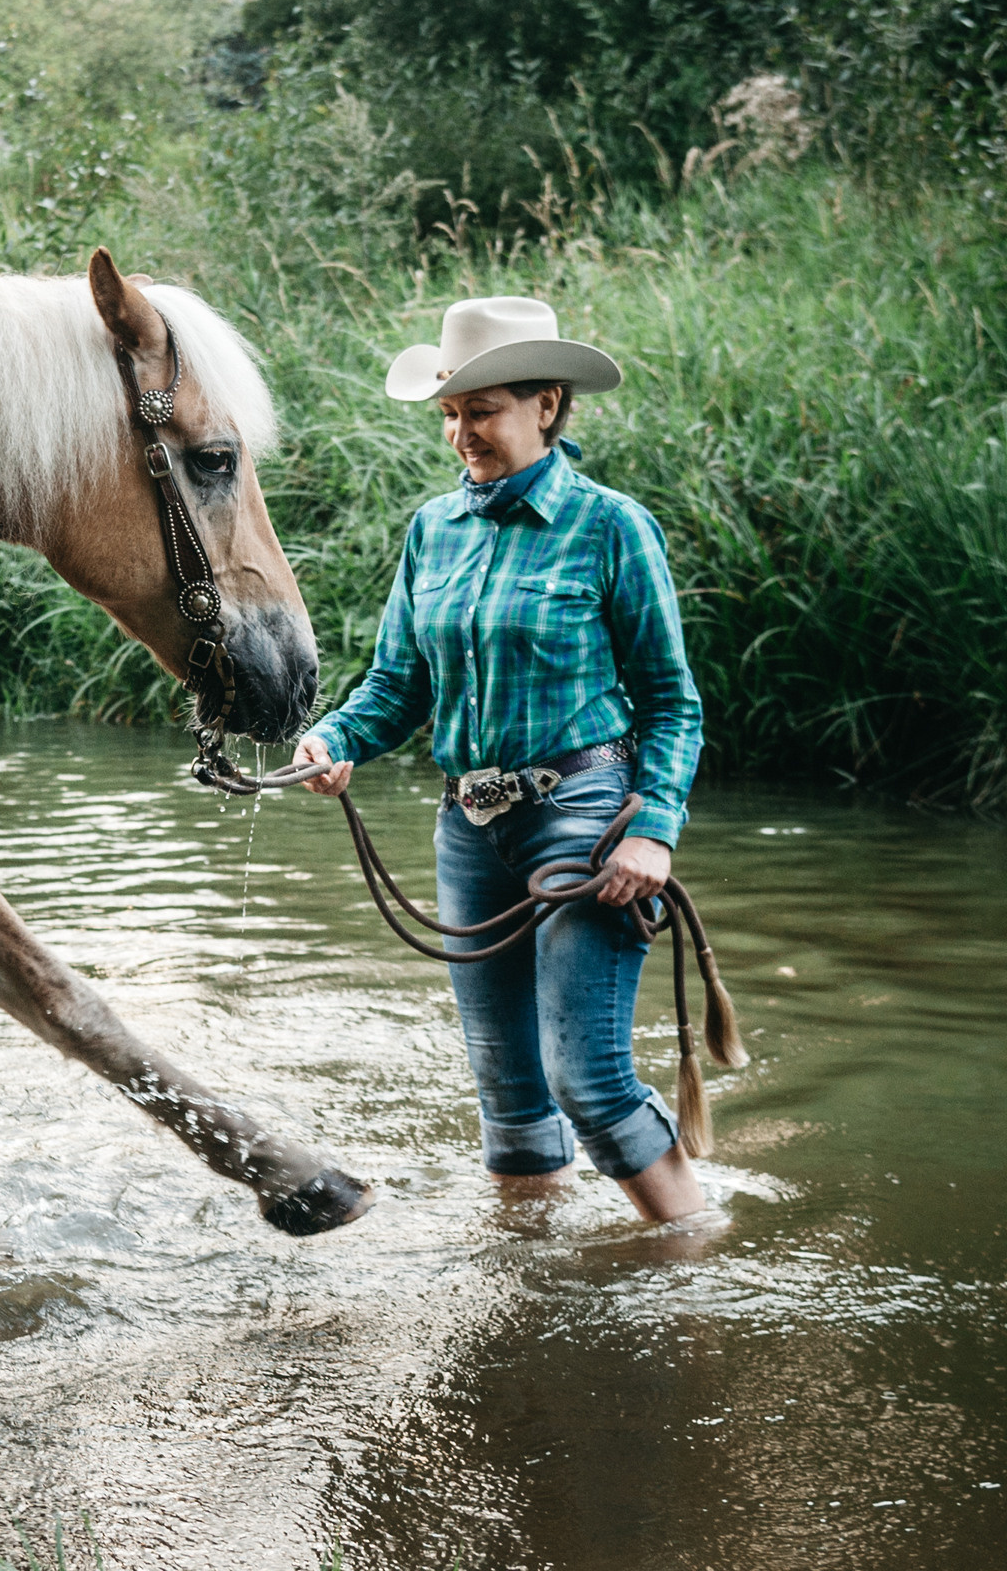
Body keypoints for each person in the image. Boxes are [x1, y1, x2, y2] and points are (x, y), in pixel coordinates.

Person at [293, 296, 707, 1221]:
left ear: (547, 405)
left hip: (588, 812)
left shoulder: (611, 528)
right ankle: (525, 1287)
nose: (460, 434)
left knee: (587, 1079)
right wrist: (335, 738)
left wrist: (657, 832)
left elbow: (673, 703)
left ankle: (694, 1265)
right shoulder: (432, 530)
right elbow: (396, 686)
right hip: (468, 829)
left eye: (481, 411)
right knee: (508, 1091)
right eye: (451, 413)